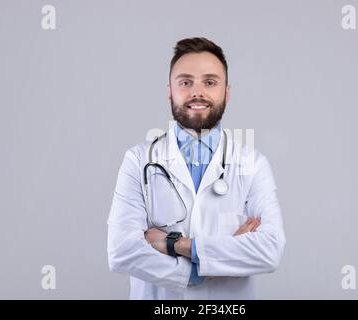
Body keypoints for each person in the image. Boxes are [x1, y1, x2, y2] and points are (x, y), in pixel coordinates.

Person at [107, 37, 286, 299]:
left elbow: (270, 250)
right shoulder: (138, 159)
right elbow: (121, 251)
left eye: (210, 82)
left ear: (227, 91)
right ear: (170, 90)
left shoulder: (253, 164)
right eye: (185, 82)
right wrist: (203, 269)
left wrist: (174, 244)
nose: (197, 92)